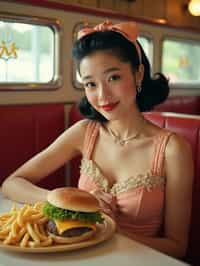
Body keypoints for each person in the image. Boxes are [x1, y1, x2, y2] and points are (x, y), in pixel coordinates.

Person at [2, 21, 193, 259]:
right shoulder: (85, 132)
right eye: (90, 84)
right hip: (77, 257)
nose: (102, 95)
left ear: (138, 73)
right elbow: (11, 184)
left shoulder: (172, 150)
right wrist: (67, 201)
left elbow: (177, 247)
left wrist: (110, 229)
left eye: (113, 77)